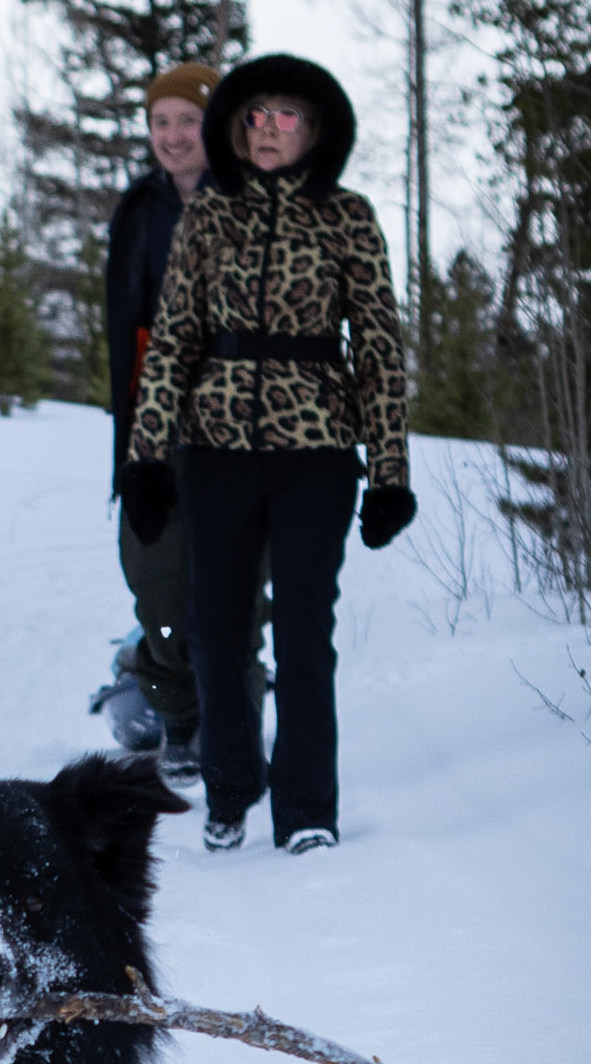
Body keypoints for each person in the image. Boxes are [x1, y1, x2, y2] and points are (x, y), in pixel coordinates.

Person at [127, 53, 415, 854]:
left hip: (315, 454)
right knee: (216, 632)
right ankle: (228, 792)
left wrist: (388, 474)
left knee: (302, 635)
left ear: (315, 129)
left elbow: (379, 349)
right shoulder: (209, 215)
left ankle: (306, 809)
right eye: (254, 114)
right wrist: (146, 458)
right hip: (215, 451)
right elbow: (172, 341)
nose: (267, 128)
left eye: (285, 115)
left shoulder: (347, 216)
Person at [105, 62, 266, 789]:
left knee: (235, 593)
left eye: (187, 121)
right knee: (158, 583)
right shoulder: (139, 210)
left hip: (241, 429)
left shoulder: (256, 203)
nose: (172, 136)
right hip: (155, 430)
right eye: (159, 122)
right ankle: (176, 714)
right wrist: (130, 449)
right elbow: (122, 331)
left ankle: (234, 726)